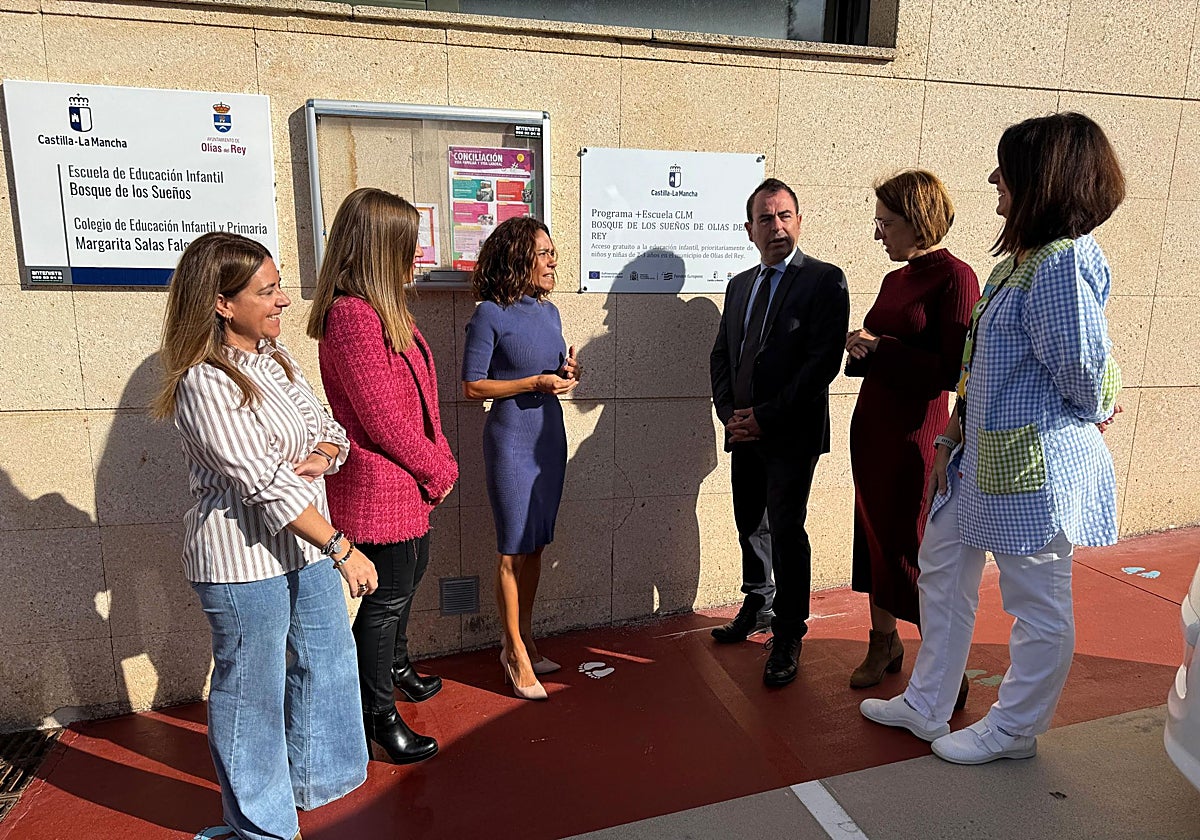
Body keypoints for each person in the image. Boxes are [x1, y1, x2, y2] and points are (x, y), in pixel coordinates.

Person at [860, 112, 1125, 765]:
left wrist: (1100, 406)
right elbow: (982, 367)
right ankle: (927, 704)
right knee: (942, 570)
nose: (992, 180)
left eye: (1005, 170)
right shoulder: (1018, 263)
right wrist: (949, 441)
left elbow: (1087, 376)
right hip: (977, 459)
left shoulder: (1060, 264)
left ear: (1044, 179)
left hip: (1032, 468)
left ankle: (1014, 728)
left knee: (1036, 600)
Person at [153, 232, 377, 840]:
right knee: (252, 692)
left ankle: (310, 787)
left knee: (327, 660)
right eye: (268, 291)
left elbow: (330, 429)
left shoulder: (278, 360)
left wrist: (324, 454)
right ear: (222, 303)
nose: (283, 301)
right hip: (241, 560)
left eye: (278, 287)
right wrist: (341, 547)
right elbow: (264, 483)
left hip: (302, 546)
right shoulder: (205, 382)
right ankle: (261, 826)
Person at [307, 188, 457, 765]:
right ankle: (376, 716)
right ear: (379, 248)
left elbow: (420, 402)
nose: (417, 254)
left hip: (404, 480)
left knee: (407, 577)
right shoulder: (352, 315)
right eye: (408, 243)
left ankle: (395, 668)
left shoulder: (381, 308)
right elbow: (382, 419)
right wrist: (437, 466)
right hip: (380, 484)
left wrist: (435, 460)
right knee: (385, 601)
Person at [709, 178, 850, 687]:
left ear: (799, 221)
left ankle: (789, 631)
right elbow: (722, 355)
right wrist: (730, 412)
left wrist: (765, 417)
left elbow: (821, 365)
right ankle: (757, 604)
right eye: (765, 218)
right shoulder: (739, 285)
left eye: (785, 215)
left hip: (790, 432)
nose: (777, 226)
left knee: (787, 530)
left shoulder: (824, 280)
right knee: (749, 522)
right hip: (743, 429)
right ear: (749, 229)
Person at [845, 170, 979, 690]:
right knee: (874, 538)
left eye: (886, 223)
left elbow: (951, 370)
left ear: (917, 220)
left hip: (915, 438)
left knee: (916, 549)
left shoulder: (956, 278)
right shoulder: (894, 279)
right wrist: (861, 348)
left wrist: (882, 348)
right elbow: (885, 352)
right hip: (872, 430)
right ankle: (883, 642)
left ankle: (945, 664)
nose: (877, 233)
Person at [461, 216, 580, 701]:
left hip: (549, 436)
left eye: (552, 252)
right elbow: (472, 386)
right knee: (512, 549)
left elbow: (547, 370)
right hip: (511, 438)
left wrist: (566, 372)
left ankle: (526, 638)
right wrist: (534, 382)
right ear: (517, 258)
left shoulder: (550, 313)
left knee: (536, 545)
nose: (553, 260)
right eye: (544, 252)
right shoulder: (489, 314)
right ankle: (511, 651)